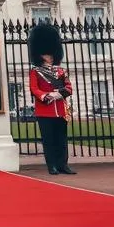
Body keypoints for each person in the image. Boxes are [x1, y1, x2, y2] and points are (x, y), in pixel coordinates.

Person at [28, 22, 76, 175]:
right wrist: (46, 95)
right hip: (45, 110)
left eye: (50, 55)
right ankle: (52, 166)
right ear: (40, 55)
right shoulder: (36, 71)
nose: (48, 57)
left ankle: (63, 164)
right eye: (46, 55)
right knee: (48, 140)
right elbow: (34, 89)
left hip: (61, 110)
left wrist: (58, 94)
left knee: (61, 140)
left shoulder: (61, 71)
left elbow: (69, 88)